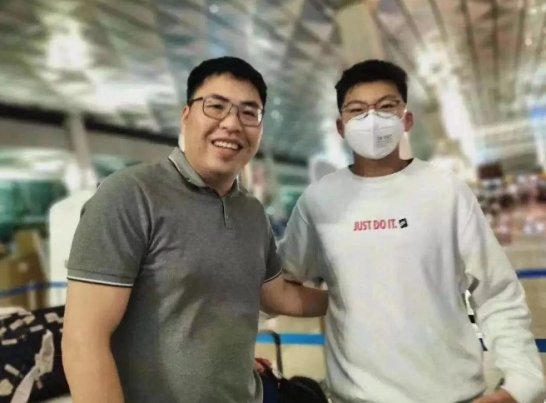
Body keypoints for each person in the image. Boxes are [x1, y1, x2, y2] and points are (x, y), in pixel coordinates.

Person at [61, 56, 328, 403]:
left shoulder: (251, 212)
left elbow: (276, 295)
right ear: (186, 116)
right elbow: (84, 340)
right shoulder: (130, 195)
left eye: (249, 112)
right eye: (216, 106)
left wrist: (348, 298)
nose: (232, 123)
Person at [277, 59, 545, 403]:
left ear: (406, 119)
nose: (372, 119)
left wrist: (521, 381)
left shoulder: (445, 190)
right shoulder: (319, 201)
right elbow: (281, 282)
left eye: (386, 106)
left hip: (453, 394)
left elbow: (495, 293)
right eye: (357, 110)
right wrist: (347, 300)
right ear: (341, 127)